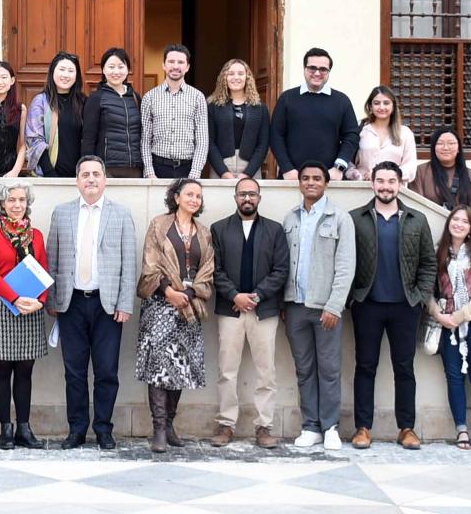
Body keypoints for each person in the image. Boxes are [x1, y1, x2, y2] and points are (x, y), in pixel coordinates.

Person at [46, 155, 140, 450]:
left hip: (107, 305)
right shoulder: (61, 214)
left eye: (96, 174)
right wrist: (52, 299)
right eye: (84, 174)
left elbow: (129, 262)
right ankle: (76, 429)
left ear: (104, 180)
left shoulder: (121, 215)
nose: (90, 179)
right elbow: (52, 258)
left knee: (106, 371)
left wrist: (125, 303)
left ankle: (103, 428)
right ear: (77, 180)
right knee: (73, 371)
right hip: (71, 303)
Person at [347, 161, 436, 451]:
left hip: (405, 306)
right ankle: (362, 428)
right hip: (367, 304)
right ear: (372, 183)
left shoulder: (416, 220)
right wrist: (351, 298)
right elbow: (345, 261)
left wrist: (420, 297)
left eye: (391, 181)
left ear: (400, 184)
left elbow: (428, 263)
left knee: (404, 367)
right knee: (365, 366)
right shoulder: (355, 218)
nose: (386, 186)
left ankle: (406, 428)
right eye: (380, 181)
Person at [209, 176, 289, 449]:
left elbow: (280, 270)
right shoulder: (219, 229)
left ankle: (264, 426)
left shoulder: (274, 230)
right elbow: (214, 269)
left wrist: (256, 296)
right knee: (227, 371)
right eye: (242, 194)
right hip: (230, 309)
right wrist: (235, 295)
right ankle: (226, 424)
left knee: (266, 372)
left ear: (259, 198)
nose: (247, 198)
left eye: (252, 194)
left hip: (263, 310)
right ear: (235, 197)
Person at [136, 178, 216, 453]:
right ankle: (158, 428)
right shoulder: (159, 225)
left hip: (189, 309)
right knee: (158, 368)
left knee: (180, 367)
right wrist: (168, 290)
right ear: (177, 197)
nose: (195, 199)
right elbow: (150, 264)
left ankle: (170, 425)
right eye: (190, 194)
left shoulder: (203, 233)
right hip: (160, 306)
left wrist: (191, 293)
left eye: (198, 196)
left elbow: (208, 269)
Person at [282, 162, 355, 451]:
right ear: (299, 183)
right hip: (295, 306)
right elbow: (282, 264)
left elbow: (346, 265)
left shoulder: (339, 218)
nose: (310, 182)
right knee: (304, 369)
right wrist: (284, 302)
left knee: (329, 369)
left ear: (326, 182)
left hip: (325, 307)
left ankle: (330, 426)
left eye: (316, 178)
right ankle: (310, 426)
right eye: (305, 178)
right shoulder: (290, 218)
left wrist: (334, 305)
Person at [0, 179, 50, 450]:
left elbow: (44, 270)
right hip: (1, 306)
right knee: (2, 369)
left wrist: (40, 301)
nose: (17, 205)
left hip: (31, 308)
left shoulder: (38, 236)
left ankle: (24, 427)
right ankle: (5, 430)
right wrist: (14, 297)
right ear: (2, 204)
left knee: (25, 371)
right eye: (12, 200)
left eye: (21, 200)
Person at [427, 205, 471, 450]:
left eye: (464, 221)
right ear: (449, 223)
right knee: (454, 378)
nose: (459, 224)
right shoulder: (437, 253)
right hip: (445, 325)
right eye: (455, 219)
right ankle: (461, 430)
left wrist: (459, 316)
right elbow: (428, 289)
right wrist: (438, 313)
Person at [269, 48, 361, 180]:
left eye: (323, 69)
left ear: (329, 71)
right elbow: (276, 135)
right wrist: (286, 168)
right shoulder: (287, 98)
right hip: (293, 177)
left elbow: (351, 136)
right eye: (312, 68)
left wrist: (339, 168)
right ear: (304, 69)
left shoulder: (342, 101)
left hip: (330, 178)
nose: (317, 73)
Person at [140, 44, 209, 179]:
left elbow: (202, 139)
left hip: (188, 168)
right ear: (163, 65)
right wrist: (149, 171)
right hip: (158, 168)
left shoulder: (197, 97)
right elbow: (145, 139)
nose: (175, 66)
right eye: (171, 61)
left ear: (187, 67)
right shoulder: (149, 97)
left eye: (181, 62)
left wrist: (195, 172)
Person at [80, 47, 144, 178]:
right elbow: (88, 138)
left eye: (121, 67)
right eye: (111, 67)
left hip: (135, 168)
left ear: (127, 70)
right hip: (106, 169)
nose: (116, 71)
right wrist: (88, 168)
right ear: (103, 70)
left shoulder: (135, 98)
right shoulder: (96, 98)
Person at [25, 52, 87, 178]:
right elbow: (35, 139)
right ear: (52, 71)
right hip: (49, 176)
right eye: (62, 69)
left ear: (77, 75)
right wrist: (50, 174)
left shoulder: (84, 102)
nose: (66, 75)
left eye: (71, 71)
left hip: (79, 178)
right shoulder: (41, 101)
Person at [206, 59, 270, 179]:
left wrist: (248, 173)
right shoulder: (212, 106)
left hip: (251, 167)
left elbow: (263, 144)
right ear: (224, 77)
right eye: (231, 74)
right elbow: (209, 142)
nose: (236, 77)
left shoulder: (260, 107)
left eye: (240, 73)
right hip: (220, 166)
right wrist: (223, 172)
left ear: (247, 77)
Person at [409, 126, 471, 222]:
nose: (446, 147)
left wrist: (468, 226)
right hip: (430, 230)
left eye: (451, 143)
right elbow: (417, 204)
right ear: (433, 148)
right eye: (440, 143)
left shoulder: (470, 174)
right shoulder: (421, 172)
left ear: (458, 148)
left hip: (463, 231)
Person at [349, 86, 418, 182]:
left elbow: (410, 168)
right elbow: (348, 162)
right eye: (377, 103)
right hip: (362, 189)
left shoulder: (405, 133)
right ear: (370, 106)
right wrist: (355, 175)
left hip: (393, 191)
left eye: (386, 103)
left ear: (393, 106)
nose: (381, 107)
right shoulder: (360, 130)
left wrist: (385, 176)